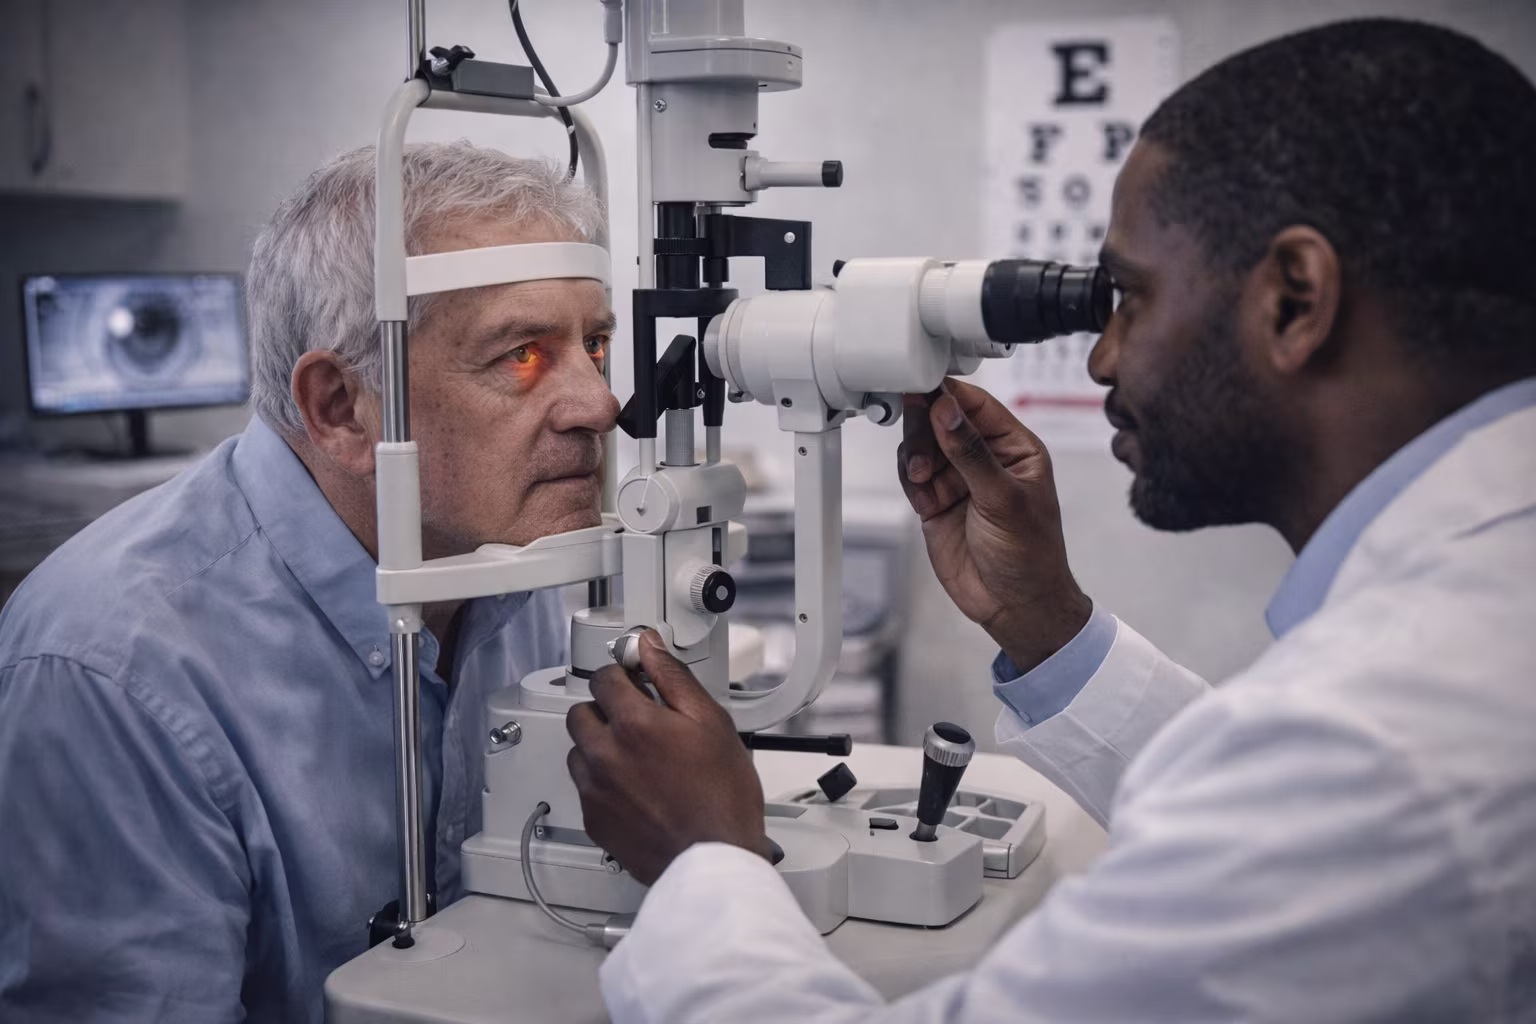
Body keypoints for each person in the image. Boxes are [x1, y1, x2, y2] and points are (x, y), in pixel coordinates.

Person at [566, 19, 1536, 1022]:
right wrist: (1049, 625)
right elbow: (1270, 812)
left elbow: (1307, 796)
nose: (1104, 357)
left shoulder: (1381, 743)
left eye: (1133, 299)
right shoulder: (1476, 621)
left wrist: (703, 859)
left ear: (1295, 300)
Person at [0, 143, 618, 1022]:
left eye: (595, 344)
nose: (599, 404)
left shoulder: (500, 561)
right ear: (341, 407)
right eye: (522, 356)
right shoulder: (114, 673)